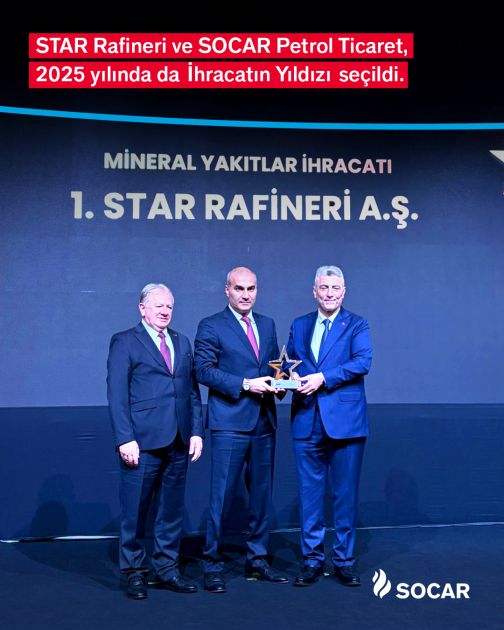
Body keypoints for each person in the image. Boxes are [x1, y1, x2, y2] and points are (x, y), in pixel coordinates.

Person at [194, 266, 288, 593]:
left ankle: (257, 560)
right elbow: (203, 370)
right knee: (222, 498)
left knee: (261, 497)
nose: (246, 295)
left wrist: (283, 382)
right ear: (227, 290)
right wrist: (247, 384)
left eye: (251, 289)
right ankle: (212, 564)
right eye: (239, 288)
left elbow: (274, 368)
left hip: (264, 421)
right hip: (230, 423)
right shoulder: (211, 325)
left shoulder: (267, 324)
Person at [107, 283, 204, 599]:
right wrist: (125, 438)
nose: (165, 311)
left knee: (171, 510)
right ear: (142, 308)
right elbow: (117, 394)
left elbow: (191, 392)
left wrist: (196, 431)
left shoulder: (182, 341)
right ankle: (135, 571)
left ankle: (167, 569)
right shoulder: (125, 341)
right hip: (142, 441)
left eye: (169, 306)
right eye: (159, 305)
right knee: (135, 510)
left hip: (179, 439)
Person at [286, 265, 372, 587]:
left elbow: (362, 362)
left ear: (344, 292)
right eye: (324, 288)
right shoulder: (299, 324)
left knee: (344, 496)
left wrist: (322, 378)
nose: (330, 293)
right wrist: (291, 378)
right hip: (306, 420)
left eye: (336, 288)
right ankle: (311, 560)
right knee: (310, 497)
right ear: (314, 291)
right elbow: (290, 364)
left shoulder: (358, 324)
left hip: (346, 424)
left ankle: (344, 561)